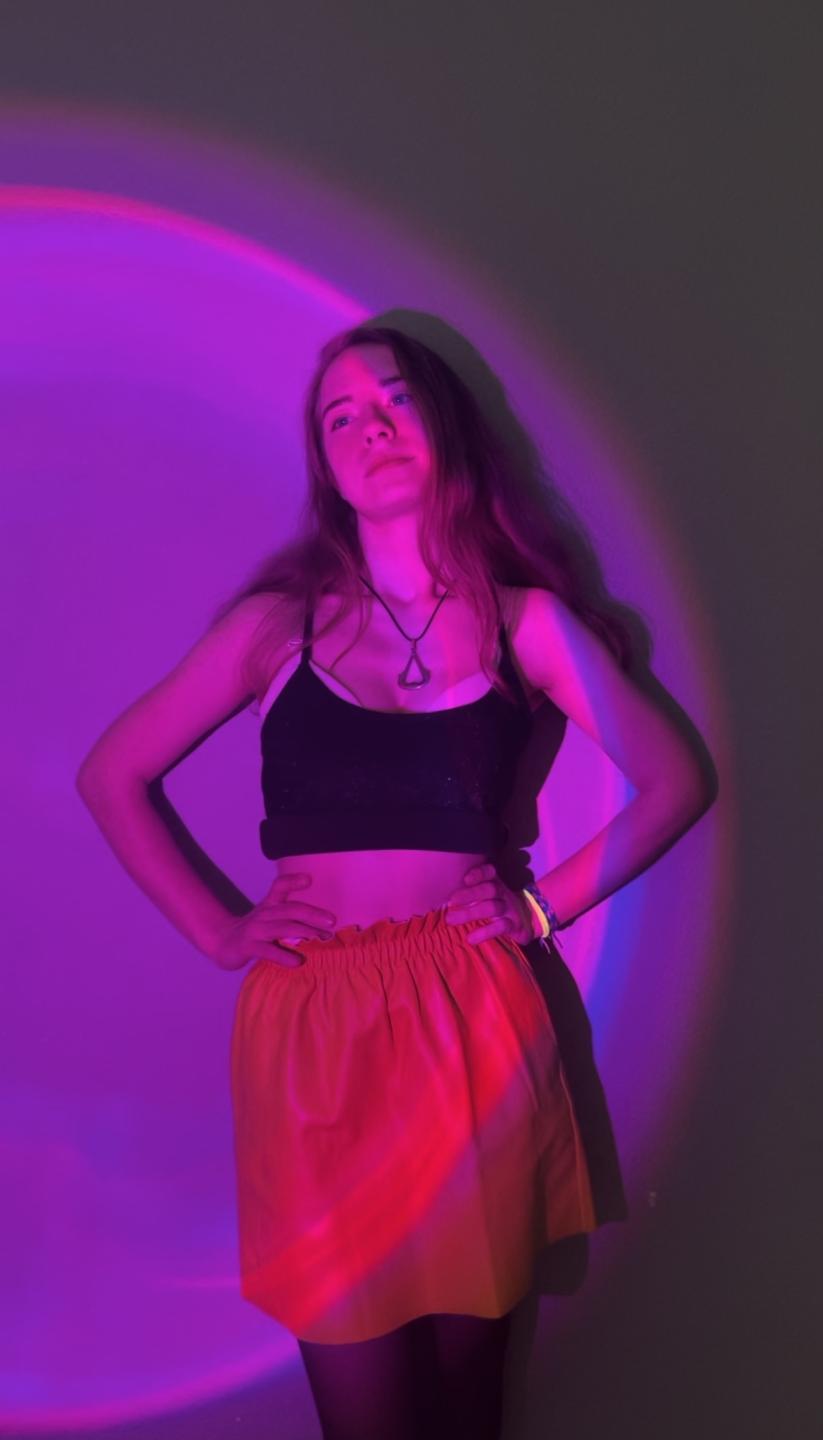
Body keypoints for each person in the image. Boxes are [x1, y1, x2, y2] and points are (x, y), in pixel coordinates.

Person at [76, 324, 714, 1440]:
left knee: (465, 1402)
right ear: (326, 467)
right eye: (341, 416)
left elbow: (673, 781)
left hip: (470, 1020)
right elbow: (111, 775)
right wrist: (220, 930)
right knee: (365, 1406)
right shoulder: (275, 629)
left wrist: (540, 906)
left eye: (394, 400)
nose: (370, 425)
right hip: (315, 1032)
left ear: (441, 426)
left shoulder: (525, 627)